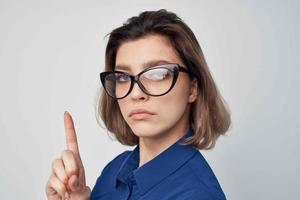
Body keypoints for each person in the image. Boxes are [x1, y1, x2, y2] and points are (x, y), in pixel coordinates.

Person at [45, 9, 231, 200]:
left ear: (193, 89)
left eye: (158, 74)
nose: (135, 93)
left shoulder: (198, 195)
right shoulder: (113, 171)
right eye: (123, 77)